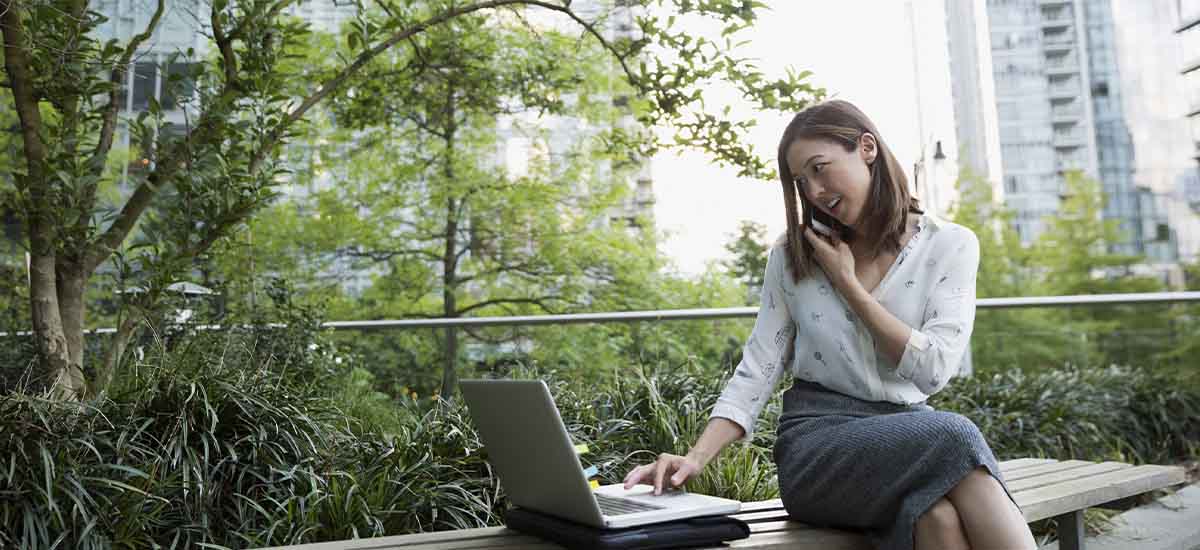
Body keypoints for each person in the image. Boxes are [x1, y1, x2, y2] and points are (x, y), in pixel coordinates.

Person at [622, 100, 1037, 550]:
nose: (815, 191)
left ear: (866, 148)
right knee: (956, 434)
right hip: (818, 447)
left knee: (938, 519)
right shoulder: (792, 257)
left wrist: (846, 282)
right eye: (801, 181)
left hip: (910, 437)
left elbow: (933, 369)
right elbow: (759, 368)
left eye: (821, 168)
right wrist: (695, 458)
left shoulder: (951, 245)